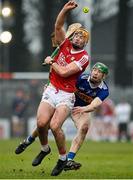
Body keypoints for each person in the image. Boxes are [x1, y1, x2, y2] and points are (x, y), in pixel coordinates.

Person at [15, 0, 90, 176]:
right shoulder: (63, 43)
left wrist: (51, 61)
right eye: (77, 36)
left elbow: (64, 72)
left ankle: (63, 158)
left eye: (83, 38)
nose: (79, 38)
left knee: (55, 126)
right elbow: (58, 25)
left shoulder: (84, 57)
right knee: (41, 124)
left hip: (66, 95)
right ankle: (44, 148)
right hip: (51, 90)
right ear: (72, 37)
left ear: (85, 43)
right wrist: (64, 9)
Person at [15, 62, 109, 172]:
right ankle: (28, 140)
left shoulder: (104, 90)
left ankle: (68, 159)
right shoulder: (81, 78)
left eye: (99, 72)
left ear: (104, 76)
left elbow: (95, 105)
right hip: (65, 102)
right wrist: (50, 87)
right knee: (45, 124)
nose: (95, 73)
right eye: (95, 70)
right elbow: (62, 80)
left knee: (84, 128)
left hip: (82, 109)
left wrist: (84, 109)